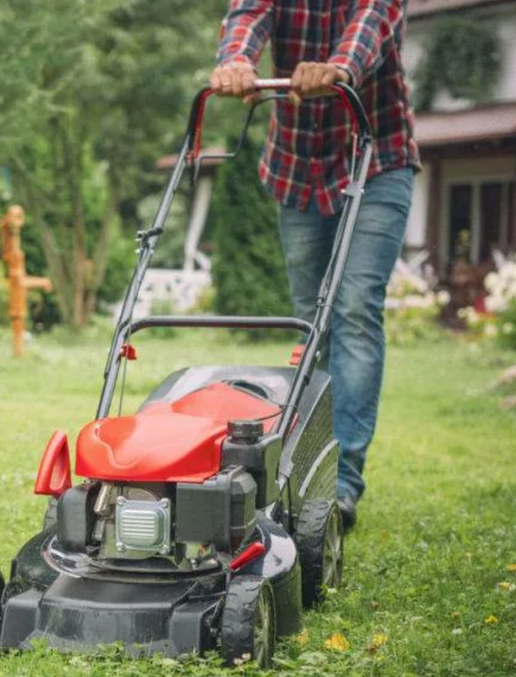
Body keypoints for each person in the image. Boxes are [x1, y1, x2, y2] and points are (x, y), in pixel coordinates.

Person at [211, 0, 419, 530]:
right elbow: (248, 14)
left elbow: (372, 19)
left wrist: (339, 68)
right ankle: (307, 469)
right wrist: (237, 59)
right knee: (311, 321)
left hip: (377, 158)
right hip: (298, 167)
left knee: (352, 308)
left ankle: (344, 481)